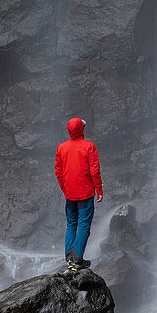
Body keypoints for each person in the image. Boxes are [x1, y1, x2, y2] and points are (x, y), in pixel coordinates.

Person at [54, 117, 103, 273]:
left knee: (71, 226)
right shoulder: (89, 146)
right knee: (83, 226)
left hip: (70, 194)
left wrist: (65, 188)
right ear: (81, 129)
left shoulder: (61, 148)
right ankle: (76, 261)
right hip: (85, 193)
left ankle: (70, 259)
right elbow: (94, 170)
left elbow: (58, 172)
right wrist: (99, 190)